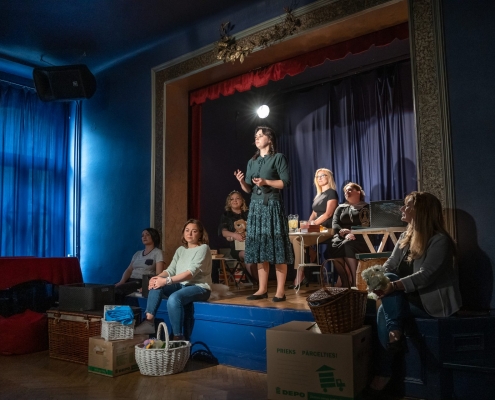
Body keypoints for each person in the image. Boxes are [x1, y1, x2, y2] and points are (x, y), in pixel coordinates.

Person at [363, 192, 462, 399]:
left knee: (383, 311)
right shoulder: (405, 237)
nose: (402, 209)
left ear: (421, 211)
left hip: (430, 302)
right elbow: (390, 265)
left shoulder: (440, 240)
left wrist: (392, 286)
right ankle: (394, 335)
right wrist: (376, 279)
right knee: (388, 278)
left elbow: (426, 275)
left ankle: (384, 372)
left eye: (407, 205)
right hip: (404, 297)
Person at [234, 126, 294, 302]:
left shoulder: (278, 158)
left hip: (272, 206)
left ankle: (280, 291)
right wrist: (241, 182)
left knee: (277, 247)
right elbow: (248, 189)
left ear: (270, 139)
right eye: (256, 136)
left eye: (260, 136)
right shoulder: (252, 161)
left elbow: (285, 182)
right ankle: (262, 289)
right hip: (256, 207)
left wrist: (266, 181)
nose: (257, 138)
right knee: (260, 248)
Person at [134, 219, 212, 339]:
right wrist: (156, 278)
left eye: (194, 231)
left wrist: (166, 281)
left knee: (174, 298)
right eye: (187, 230)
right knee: (156, 285)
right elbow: (170, 270)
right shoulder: (181, 250)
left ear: (200, 234)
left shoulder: (203, 248)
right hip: (181, 285)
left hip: (199, 287)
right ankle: (149, 322)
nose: (190, 233)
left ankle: (177, 336)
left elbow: (190, 274)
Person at [288, 168, 339, 289]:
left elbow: (328, 214)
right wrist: (307, 223)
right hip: (317, 227)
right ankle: (311, 252)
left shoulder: (332, 193)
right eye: (317, 176)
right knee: (293, 235)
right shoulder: (318, 195)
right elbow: (314, 213)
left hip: (327, 228)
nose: (319, 178)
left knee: (297, 239)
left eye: (322, 175)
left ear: (328, 177)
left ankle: (300, 274)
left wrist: (312, 224)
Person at [325, 182, 370, 285]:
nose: (347, 192)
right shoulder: (340, 208)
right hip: (343, 236)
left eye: (350, 190)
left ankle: (355, 281)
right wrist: (344, 233)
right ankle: (345, 281)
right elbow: (335, 224)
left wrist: (352, 232)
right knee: (333, 245)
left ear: (358, 192)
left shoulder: (366, 208)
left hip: (360, 237)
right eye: (345, 191)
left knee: (348, 244)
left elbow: (367, 225)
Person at [114, 228, 164, 303]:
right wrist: (122, 281)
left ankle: (119, 310)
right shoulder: (137, 254)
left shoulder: (158, 253)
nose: (144, 237)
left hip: (142, 281)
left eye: (147, 235)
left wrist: (147, 286)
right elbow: (129, 270)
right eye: (142, 235)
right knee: (110, 288)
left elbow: (159, 274)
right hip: (131, 280)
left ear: (154, 237)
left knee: (118, 290)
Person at [218, 191, 258, 282]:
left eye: (237, 198)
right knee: (247, 254)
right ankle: (259, 281)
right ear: (229, 202)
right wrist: (234, 235)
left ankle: (264, 280)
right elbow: (224, 232)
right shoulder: (226, 215)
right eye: (232, 199)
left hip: (252, 243)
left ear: (242, 201)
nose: (234, 201)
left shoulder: (249, 213)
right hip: (237, 248)